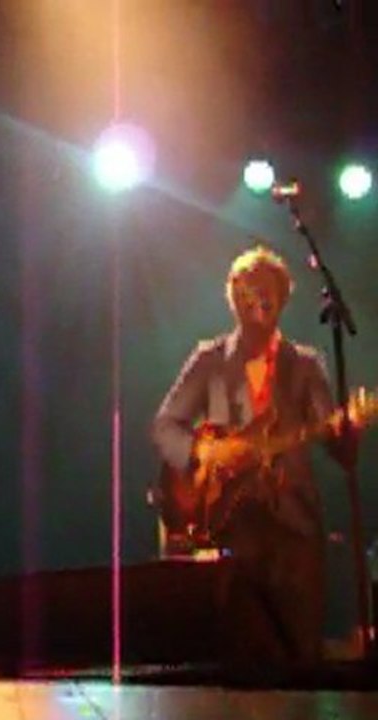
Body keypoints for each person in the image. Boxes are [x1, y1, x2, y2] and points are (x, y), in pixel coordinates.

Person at [152, 245, 363, 674]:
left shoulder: (305, 365)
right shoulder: (209, 359)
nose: (258, 299)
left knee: (299, 661)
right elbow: (165, 427)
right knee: (234, 663)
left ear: (283, 299)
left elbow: (338, 450)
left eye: (268, 291)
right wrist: (207, 450)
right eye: (248, 291)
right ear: (233, 298)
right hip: (229, 532)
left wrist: (349, 429)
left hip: (294, 535)